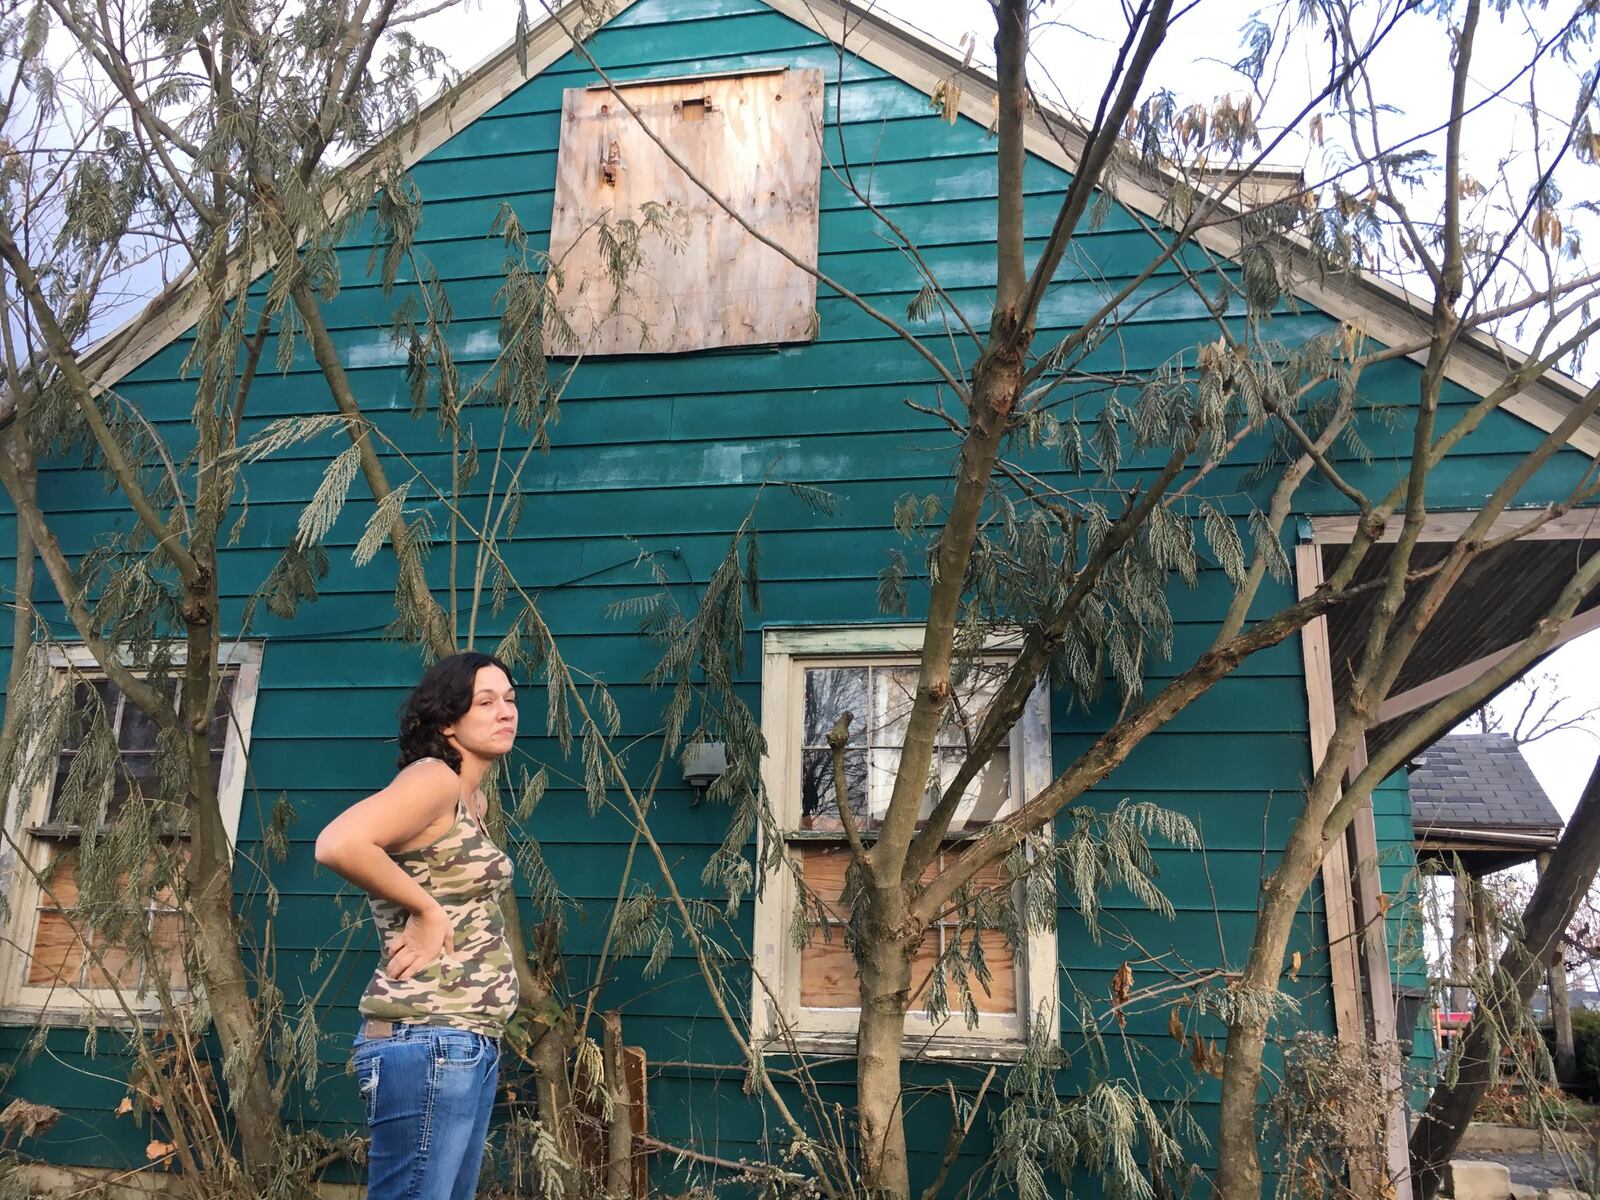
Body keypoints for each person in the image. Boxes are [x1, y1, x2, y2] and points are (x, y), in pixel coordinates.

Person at [314, 651, 521, 1200]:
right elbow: (338, 844)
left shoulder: (470, 798)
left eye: (510, 699)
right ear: (447, 721)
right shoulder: (435, 780)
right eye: (486, 701)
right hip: (427, 1036)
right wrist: (428, 911)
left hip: (462, 1039)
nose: (506, 712)